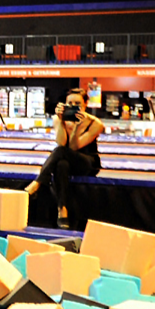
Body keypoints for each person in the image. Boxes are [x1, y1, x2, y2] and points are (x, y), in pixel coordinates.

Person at [24, 89, 103, 228]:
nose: (73, 107)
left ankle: (38, 182)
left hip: (87, 162)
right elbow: (61, 142)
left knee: (61, 152)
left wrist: (77, 127)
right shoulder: (57, 119)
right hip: (66, 160)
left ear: (85, 104)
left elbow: (73, 147)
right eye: (70, 104)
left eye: (77, 104)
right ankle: (62, 210)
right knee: (61, 165)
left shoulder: (95, 124)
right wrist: (61, 122)